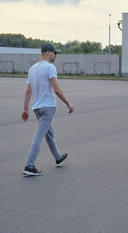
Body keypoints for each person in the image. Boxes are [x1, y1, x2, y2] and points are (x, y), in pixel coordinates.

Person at [21, 43, 74, 176]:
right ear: (48, 53)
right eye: (55, 53)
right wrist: (68, 103)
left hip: (37, 108)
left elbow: (28, 91)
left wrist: (25, 109)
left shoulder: (32, 69)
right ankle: (29, 165)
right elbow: (57, 89)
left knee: (49, 133)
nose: (56, 55)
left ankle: (58, 157)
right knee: (39, 136)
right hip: (48, 107)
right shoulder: (50, 67)